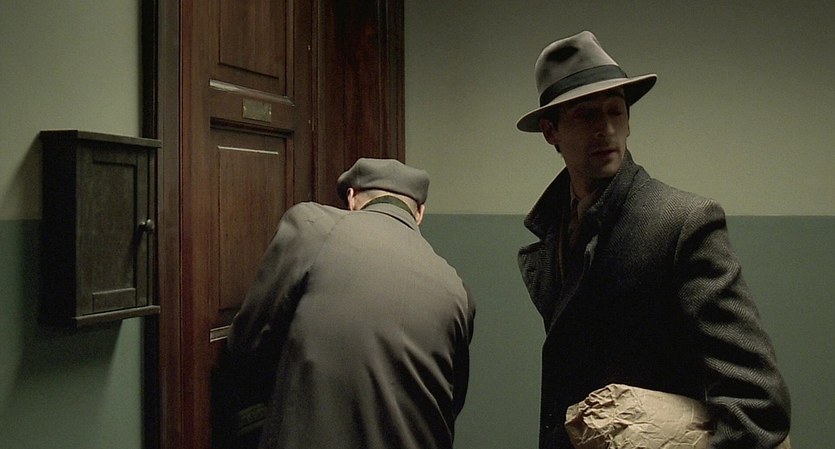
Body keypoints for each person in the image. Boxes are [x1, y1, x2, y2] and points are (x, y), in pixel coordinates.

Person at [515, 31, 791, 449]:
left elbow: (756, 403)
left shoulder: (682, 222)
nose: (606, 129)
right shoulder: (555, 231)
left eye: (615, 111)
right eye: (587, 115)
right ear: (551, 131)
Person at [223, 158, 475, 449]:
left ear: (352, 198)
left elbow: (247, 342)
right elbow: (452, 400)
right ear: (419, 213)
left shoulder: (312, 227)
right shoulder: (457, 291)